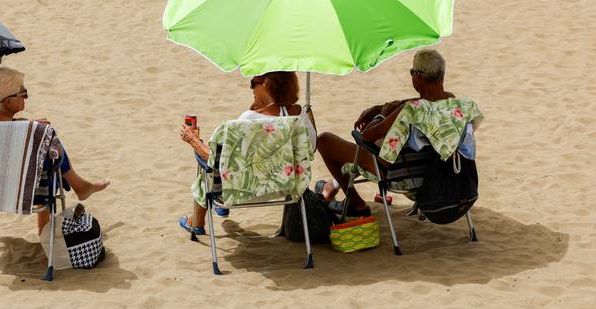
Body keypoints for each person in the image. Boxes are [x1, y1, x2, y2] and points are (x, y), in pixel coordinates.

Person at [315, 49, 457, 216]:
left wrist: (382, 114)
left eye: (412, 72)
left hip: (395, 173)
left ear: (417, 76)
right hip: (435, 174)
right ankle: (331, 187)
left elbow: (367, 135)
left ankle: (357, 203)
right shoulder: (453, 104)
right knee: (380, 142)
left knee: (324, 140)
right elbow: (425, 101)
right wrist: (381, 107)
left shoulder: (409, 110)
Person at [0, 67, 110, 234]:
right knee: (49, 163)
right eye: (23, 93)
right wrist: (36, 130)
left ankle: (80, 186)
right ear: (8, 101)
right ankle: (50, 223)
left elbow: (0, 126)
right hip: (23, 192)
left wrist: (29, 125)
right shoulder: (25, 131)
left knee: (45, 146)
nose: (26, 97)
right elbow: (53, 156)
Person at [178, 71, 315, 235]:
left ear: (267, 84)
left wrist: (193, 140)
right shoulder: (301, 115)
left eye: (254, 82)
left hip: (241, 191)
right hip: (287, 188)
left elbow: (218, 160)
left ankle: (196, 222)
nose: (251, 88)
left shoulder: (248, 119)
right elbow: (310, 149)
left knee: (205, 168)